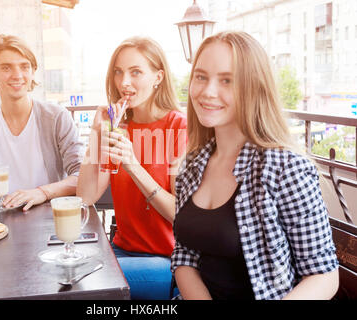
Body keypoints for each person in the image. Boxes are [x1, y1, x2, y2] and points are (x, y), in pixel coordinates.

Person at [171, 31, 339, 300]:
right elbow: (184, 254)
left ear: (253, 88)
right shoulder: (192, 164)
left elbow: (323, 275)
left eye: (227, 80)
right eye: (200, 77)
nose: (207, 91)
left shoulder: (286, 168)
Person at [77, 36, 187, 299]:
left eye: (135, 72)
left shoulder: (179, 126)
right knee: (68, 270)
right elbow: (85, 196)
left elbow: (182, 216)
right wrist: (96, 133)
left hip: (168, 260)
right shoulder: (119, 126)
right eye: (118, 72)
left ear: (158, 77)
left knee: (78, 279)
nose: (124, 82)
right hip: (121, 251)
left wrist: (133, 165)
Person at [0, 34, 83, 211]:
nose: (17, 75)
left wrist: (42, 192)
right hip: (0, 224)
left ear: (33, 72)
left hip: (50, 220)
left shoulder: (56, 117)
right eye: (6, 68)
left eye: (24, 67)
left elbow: (81, 176)